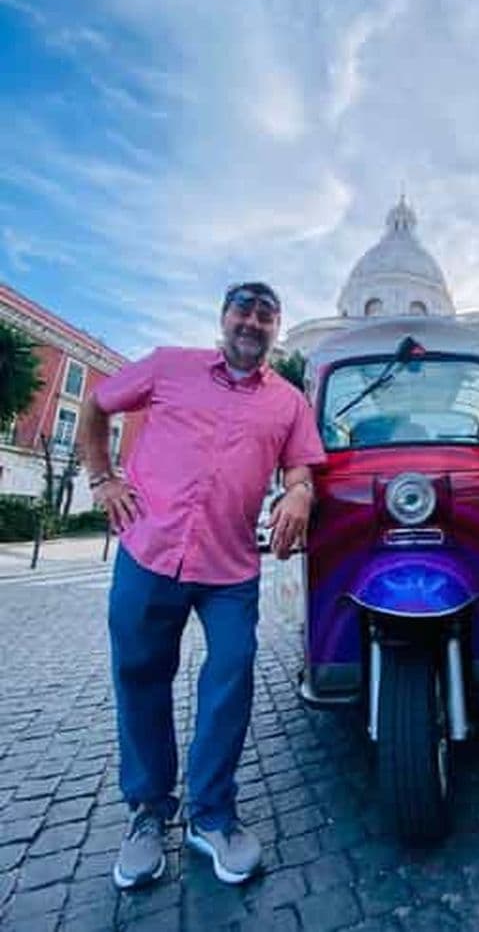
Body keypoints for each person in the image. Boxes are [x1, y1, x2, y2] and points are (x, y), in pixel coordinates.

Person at [82, 281, 325, 888]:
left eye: (266, 315)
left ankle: (212, 816)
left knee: (232, 676)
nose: (253, 322)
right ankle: (147, 812)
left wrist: (299, 491)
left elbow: (300, 466)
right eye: (244, 310)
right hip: (148, 552)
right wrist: (101, 479)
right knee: (140, 678)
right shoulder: (170, 366)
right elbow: (96, 406)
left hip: (230, 567)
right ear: (223, 318)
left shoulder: (290, 402)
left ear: (275, 329)